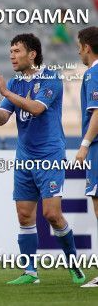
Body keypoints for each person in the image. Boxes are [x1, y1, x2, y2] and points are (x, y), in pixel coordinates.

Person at [0, 33, 85, 284]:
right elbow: (1, 119)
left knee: (52, 214)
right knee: (24, 215)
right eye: (10, 51)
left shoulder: (51, 77)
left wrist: (5, 92)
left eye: (17, 51)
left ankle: (74, 264)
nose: (12, 55)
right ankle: (30, 272)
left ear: (32, 54)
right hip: (24, 157)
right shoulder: (15, 83)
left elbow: (36, 108)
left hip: (49, 155)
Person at [75, 26, 98, 288]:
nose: (78, 51)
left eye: (80, 46)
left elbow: (97, 112)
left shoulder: (94, 72)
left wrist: (84, 144)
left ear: (87, 47)